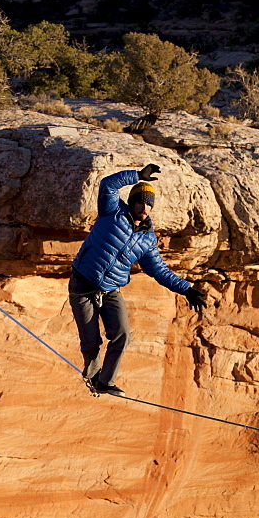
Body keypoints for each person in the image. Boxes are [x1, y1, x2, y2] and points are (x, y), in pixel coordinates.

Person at [69, 163, 207, 397]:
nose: (145, 207)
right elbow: (108, 185)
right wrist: (136, 176)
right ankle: (93, 377)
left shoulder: (147, 240)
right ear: (132, 202)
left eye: (149, 204)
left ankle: (106, 381)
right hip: (83, 286)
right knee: (91, 343)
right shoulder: (112, 212)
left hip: (111, 291)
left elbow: (159, 271)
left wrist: (187, 290)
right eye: (141, 202)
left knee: (122, 334)